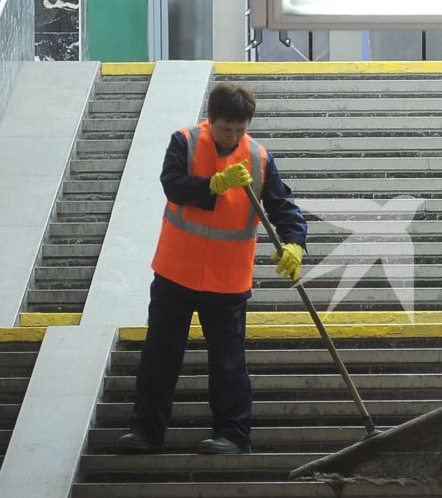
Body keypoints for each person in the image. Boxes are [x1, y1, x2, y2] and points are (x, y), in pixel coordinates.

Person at [114, 81, 307, 456]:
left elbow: (284, 206)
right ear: (210, 119)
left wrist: (296, 243)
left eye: (240, 130)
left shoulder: (258, 158)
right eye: (225, 129)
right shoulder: (184, 142)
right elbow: (173, 186)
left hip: (228, 280)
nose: (233, 137)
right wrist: (214, 184)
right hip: (176, 271)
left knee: (229, 360)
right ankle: (145, 431)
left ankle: (233, 435)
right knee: (160, 354)